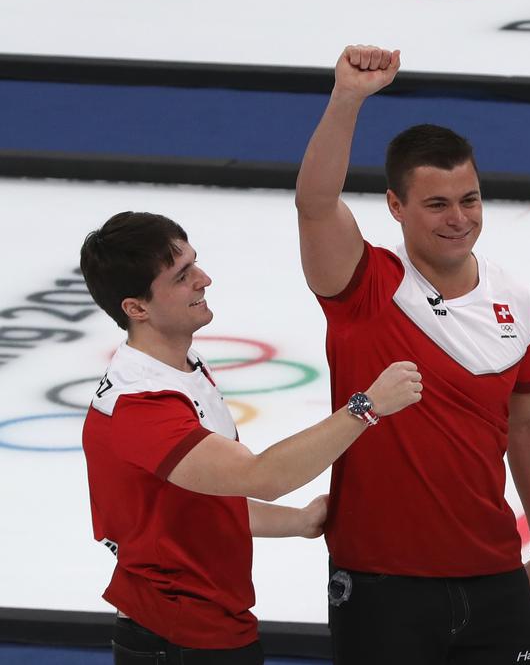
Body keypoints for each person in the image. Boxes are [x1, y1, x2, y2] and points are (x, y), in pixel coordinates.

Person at [295, 45, 530, 664]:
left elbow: (529, 422)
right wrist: (347, 100)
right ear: (395, 207)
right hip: (381, 584)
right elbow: (314, 203)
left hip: (494, 574)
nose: (459, 219)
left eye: (469, 200)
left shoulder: (522, 304)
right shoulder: (363, 287)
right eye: (437, 204)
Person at [79, 212, 423, 664]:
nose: (204, 279)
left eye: (195, 264)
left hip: (205, 627)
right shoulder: (143, 406)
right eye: (182, 276)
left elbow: (201, 506)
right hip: (179, 636)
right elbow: (261, 476)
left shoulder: (183, 366)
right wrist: (366, 407)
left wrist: (298, 522)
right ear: (136, 308)